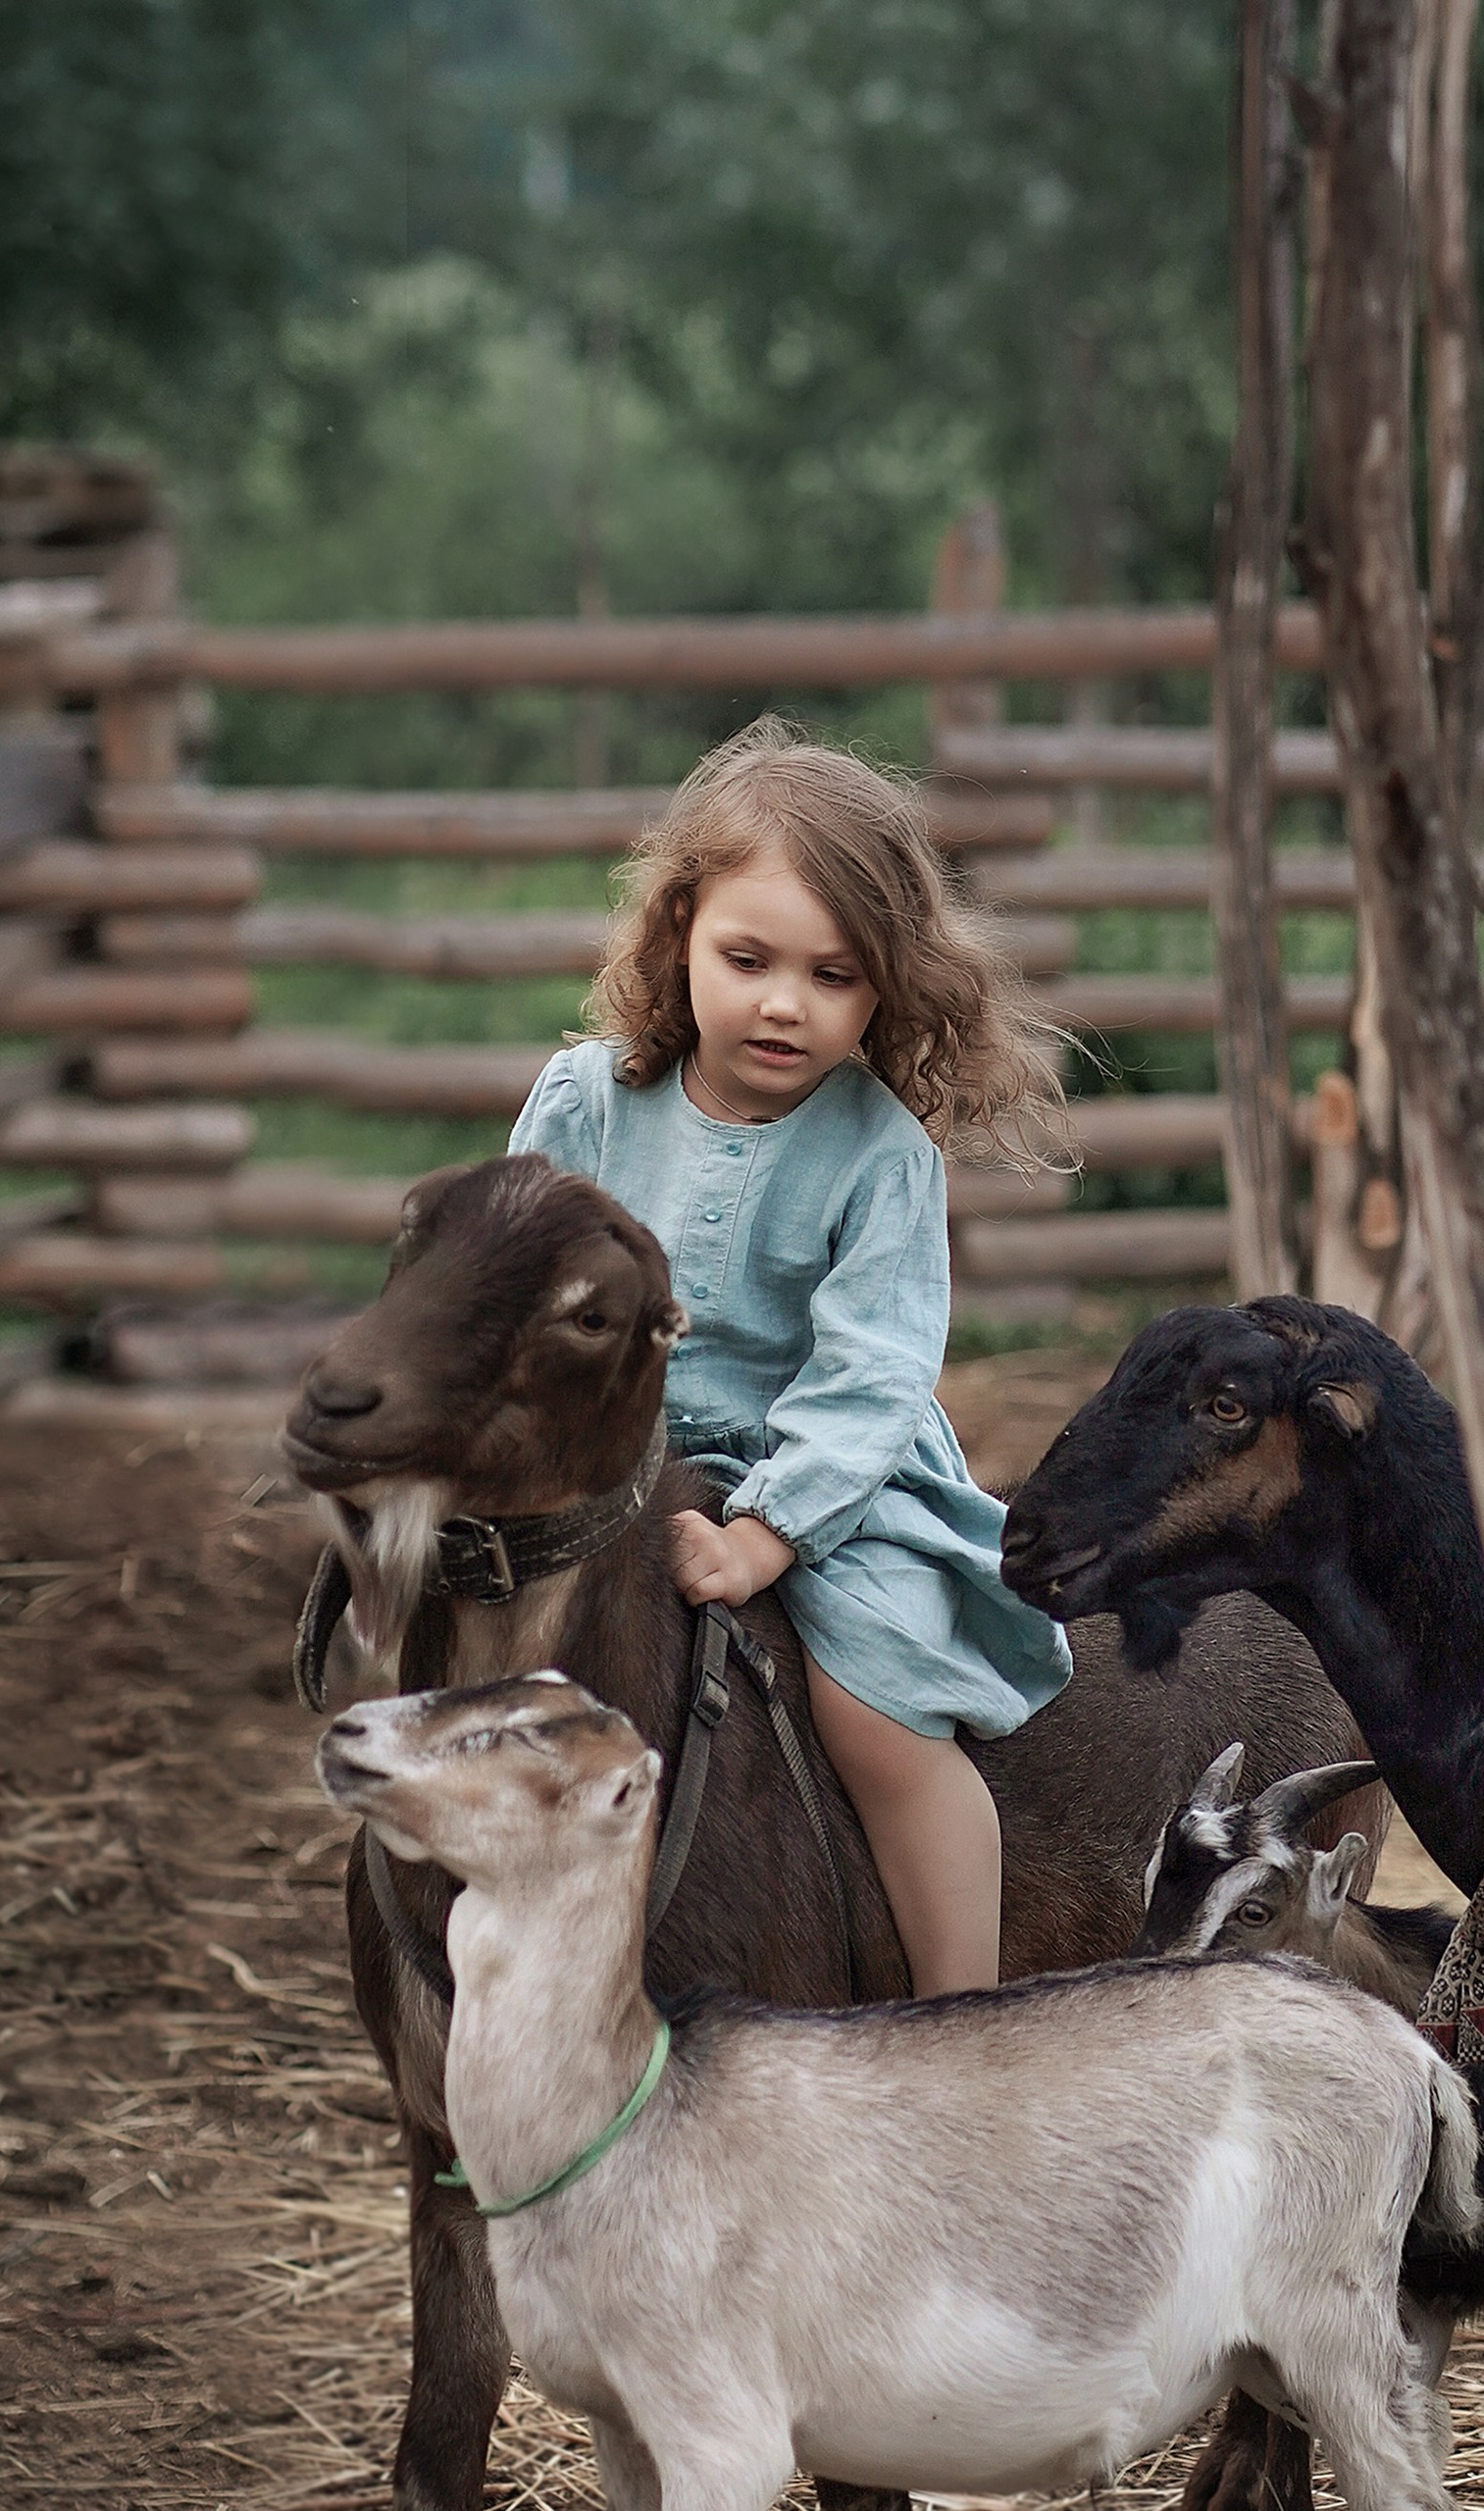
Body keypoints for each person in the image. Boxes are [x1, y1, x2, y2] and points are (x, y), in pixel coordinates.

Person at [508, 716, 1075, 1995]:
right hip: (607, 1469)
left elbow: (872, 1377)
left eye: (834, 975)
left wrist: (769, 1530)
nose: (783, 1002)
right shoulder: (584, 1103)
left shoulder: (878, 1152)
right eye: (748, 957)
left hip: (827, 1480)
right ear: (679, 936)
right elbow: (511, 1289)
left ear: (885, 987)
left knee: (877, 1715)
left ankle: (964, 2013)